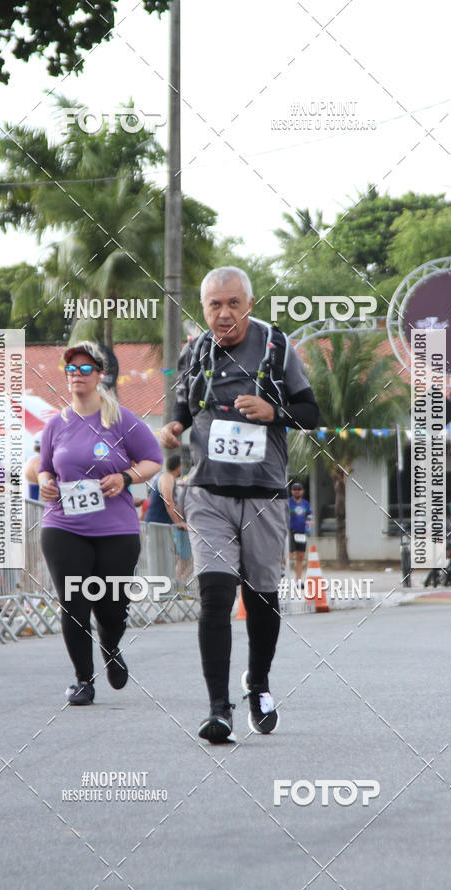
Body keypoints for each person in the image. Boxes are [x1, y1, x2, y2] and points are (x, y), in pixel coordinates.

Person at [161, 266, 319, 742]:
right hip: (208, 493)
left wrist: (275, 412)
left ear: (249, 303)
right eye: (215, 305)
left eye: (233, 303)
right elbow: (184, 410)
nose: (224, 313)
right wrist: (173, 428)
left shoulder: (276, 346)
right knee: (214, 596)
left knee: (261, 596)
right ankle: (218, 708)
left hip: (264, 494)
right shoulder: (195, 350)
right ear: (204, 308)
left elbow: (312, 412)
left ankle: (260, 683)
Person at [38, 341, 162, 705]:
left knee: (111, 607)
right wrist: (46, 481)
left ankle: (110, 644)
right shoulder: (56, 425)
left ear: (100, 375)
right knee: (73, 601)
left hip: (116, 530)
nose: (77, 375)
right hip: (64, 526)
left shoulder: (122, 420)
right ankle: (83, 680)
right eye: (71, 370)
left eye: (85, 369)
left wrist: (125, 477)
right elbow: (45, 465)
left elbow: (153, 459)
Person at [144, 455, 186, 527]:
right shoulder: (167, 477)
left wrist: (181, 522)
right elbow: (168, 500)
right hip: (157, 526)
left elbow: (177, 506)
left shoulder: (172, 481)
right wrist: (178, 523)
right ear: (178, 467)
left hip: (163, 526)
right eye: (181, 466)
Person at [289, 482, 311, 584]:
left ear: (302, 491)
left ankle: (298, 579)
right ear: (291, 491)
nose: (297, 492)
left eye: (299, 490)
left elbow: (309, 515)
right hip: (290, 532)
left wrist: (309, 523)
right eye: (294, 490)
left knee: (301, 556)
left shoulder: (305, 503)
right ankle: (284, 579)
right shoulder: (288, 502)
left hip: (301, 532)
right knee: (288, 555)